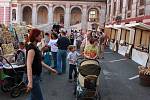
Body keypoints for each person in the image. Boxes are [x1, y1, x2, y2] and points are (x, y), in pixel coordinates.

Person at [25, 28, 57, 100]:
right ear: (35, 36)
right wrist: (30, 82)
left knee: (34, 97)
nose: (41, 37)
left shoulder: (35, 47)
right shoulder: (32, 49)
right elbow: (29, 65)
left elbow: (40, 62)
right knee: (39, 98)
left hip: (35, 76)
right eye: (40, 36)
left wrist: (50, 69)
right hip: (33, 77)